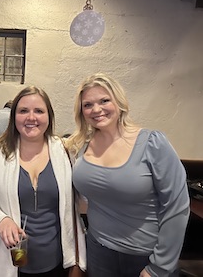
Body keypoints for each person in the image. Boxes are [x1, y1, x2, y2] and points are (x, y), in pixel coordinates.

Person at [64, 73, 190, 277]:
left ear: (119, 102)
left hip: (145, 256)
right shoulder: (80, 146)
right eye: (88, 105)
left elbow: (177, 206)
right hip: (98, 250)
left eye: (104, 100)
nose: (96, 109)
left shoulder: (152, 143)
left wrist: (159, 267)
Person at [0, 86, 86, 277]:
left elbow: (78, 205)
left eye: (39, 111)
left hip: (56, 263)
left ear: (49, 116)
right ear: (14, 117)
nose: (31, 117)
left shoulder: (65, 152)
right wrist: (0, 219)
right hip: (9, 260)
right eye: (23, 111)